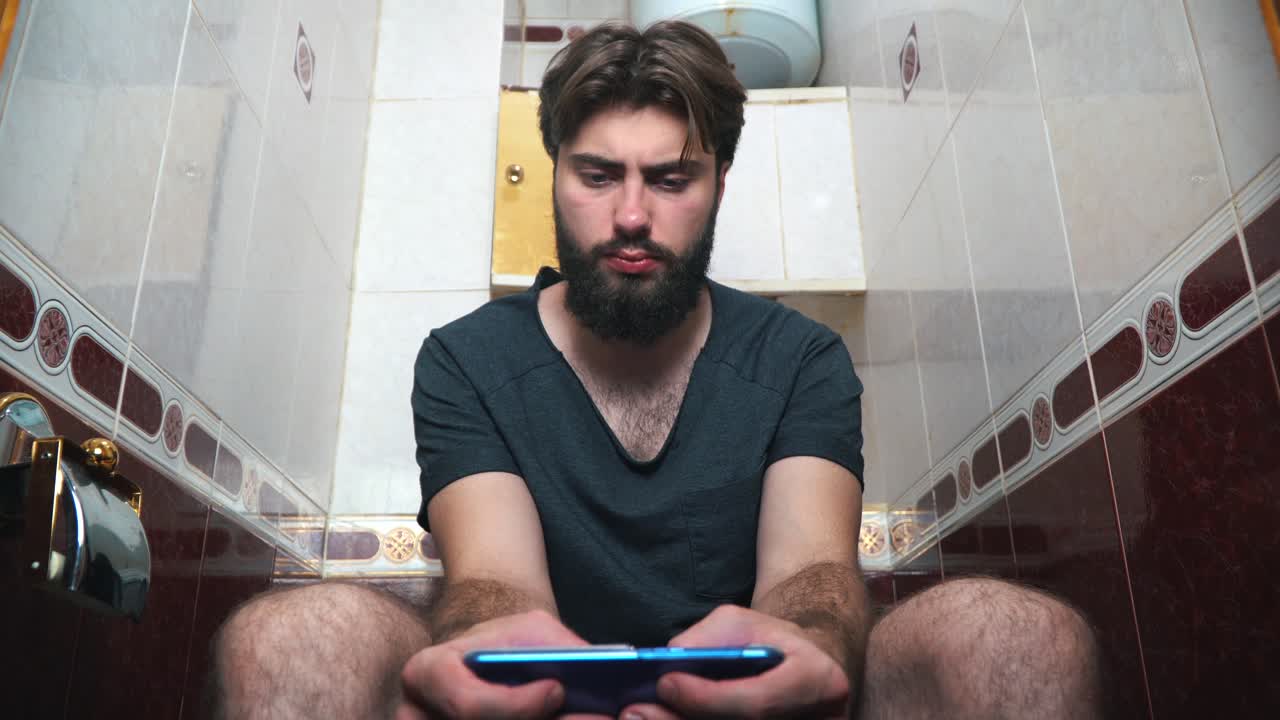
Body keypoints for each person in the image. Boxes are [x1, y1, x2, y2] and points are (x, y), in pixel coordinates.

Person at [211, 21, 1103, 720]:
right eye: (599, 175)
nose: (631, 215)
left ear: (719, 182)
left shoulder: (799, 358)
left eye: (672, 180)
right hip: (538, 705)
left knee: (1017, 634)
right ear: (554, 173)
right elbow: (494, 580)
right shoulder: (468, 358)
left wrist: (807, 642)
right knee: (293, 637)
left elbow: (810, 578)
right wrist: (500, 644)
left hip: (755, 708)